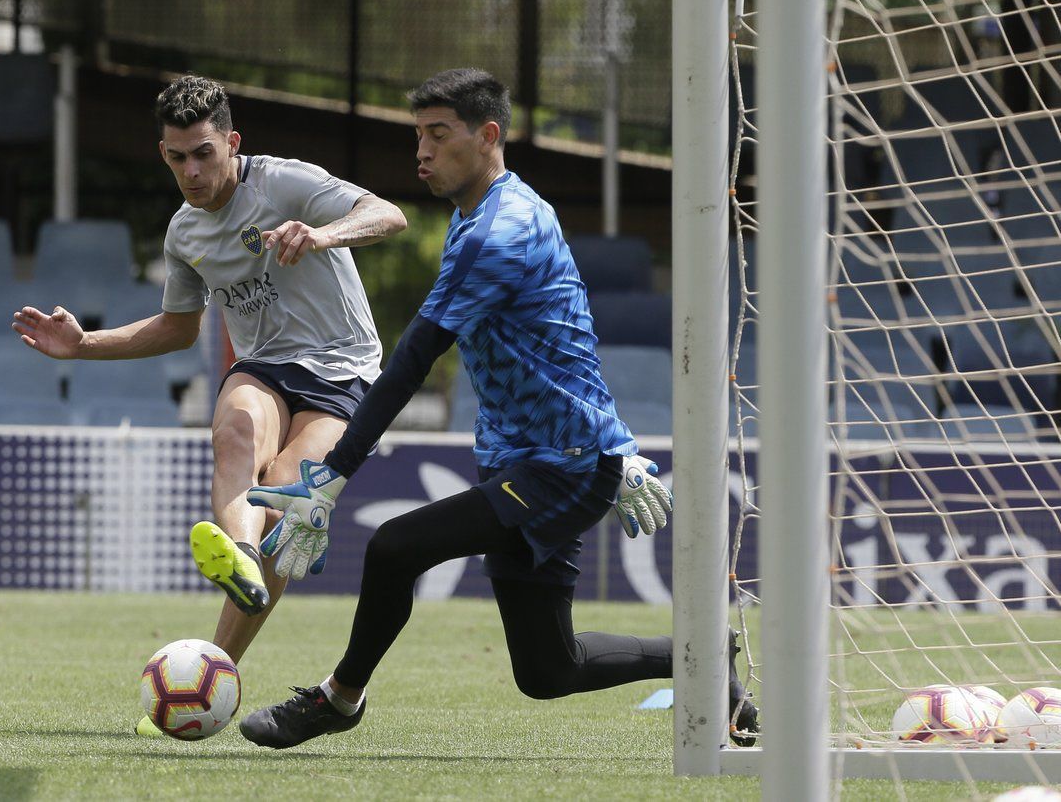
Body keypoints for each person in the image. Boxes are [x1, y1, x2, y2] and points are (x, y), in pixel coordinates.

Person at [235, 68, 758, 750]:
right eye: (416, 135)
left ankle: (338, 699)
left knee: (395, 548)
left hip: (560, 467)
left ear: (487, 137)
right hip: (543, 458)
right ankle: (699, 657)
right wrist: (616, 443)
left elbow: (413, 361)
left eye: (437, 135)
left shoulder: (497, 233)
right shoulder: (483, 215)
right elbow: (565, 330)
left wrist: (332, 476)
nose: (420, 152)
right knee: (548, 670)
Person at [10, 74, 408, 735]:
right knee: (234, 435)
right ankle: (241, 559)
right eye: (175, 157)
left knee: (285, 492)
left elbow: (388, 215)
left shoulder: (285, 183)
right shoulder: (184, 233)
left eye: (202, 153)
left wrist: (324, 235)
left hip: (342, 373)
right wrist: (83, 346)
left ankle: (213, 667)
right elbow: (177, 327)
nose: (190, 171)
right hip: (264, 367)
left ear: (232, 142)